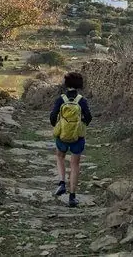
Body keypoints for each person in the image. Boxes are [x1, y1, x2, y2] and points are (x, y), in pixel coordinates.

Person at [50, 71, 94, 207]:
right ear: (80, 85)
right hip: (78, 136)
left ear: (66, 83)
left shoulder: (61, 99)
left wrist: (60, 125)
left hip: (62, 135)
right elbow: (89, 117)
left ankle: (62, 183)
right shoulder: (81, 100)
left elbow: (52, 117)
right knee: (75, 164)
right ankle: (72, 196)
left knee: (60, 156)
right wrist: (80, 125)